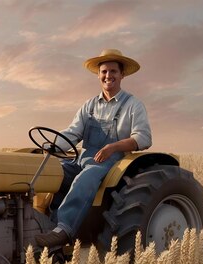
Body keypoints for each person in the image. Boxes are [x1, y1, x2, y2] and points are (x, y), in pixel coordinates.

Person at [35, 49, 152, 248]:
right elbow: (73, 133)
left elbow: (143, 137)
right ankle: (42, 223)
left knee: (85, 177)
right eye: (104, 71)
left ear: (122, 75)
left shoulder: (133, 105)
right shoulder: (89, 106)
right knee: (55, 172)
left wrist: (113, 147)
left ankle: (63, 228)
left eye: (113, 71)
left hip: (112, 162)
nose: (108, 76)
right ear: (98, 75)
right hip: (84, 159)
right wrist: (52, 146)